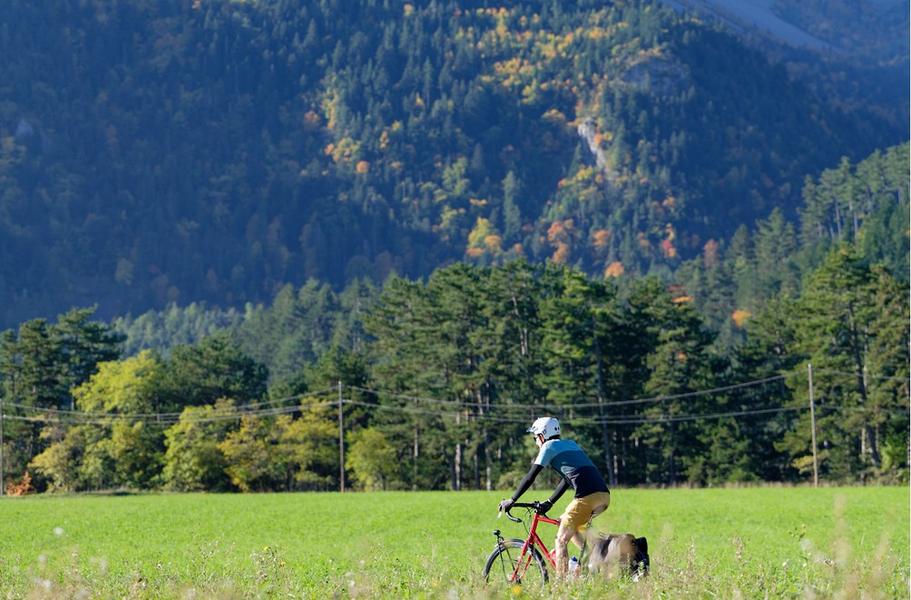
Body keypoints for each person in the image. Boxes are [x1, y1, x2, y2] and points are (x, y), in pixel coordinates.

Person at [498, 417, 611, 577]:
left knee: (561, 540)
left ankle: (561, 585)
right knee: (563, 521)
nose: (535, 441)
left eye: (535, 437)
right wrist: (550, 502)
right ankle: (595, 556)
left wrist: (512, 500)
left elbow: (531, 476)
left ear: (542, 435)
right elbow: (567, 479)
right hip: (604, 495)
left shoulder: (548, 447)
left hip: (586, 497)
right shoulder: (572, 444)